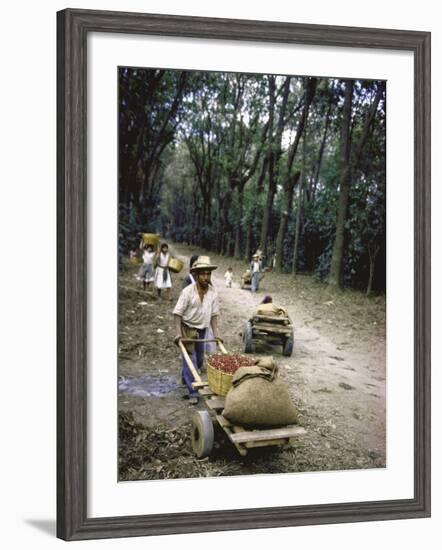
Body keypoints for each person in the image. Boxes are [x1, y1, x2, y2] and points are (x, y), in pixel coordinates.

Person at [173, 256, 222, 404]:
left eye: (208, 274)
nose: (206, 277)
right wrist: (178, 333)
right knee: (191, 361)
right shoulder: (188, 291)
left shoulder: (213, 293)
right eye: (203, 274)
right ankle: (193, 392)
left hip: (202, 330)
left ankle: (185, 375)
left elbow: (214, 315)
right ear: (196, 275)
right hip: (188, 329)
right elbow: (177, 313)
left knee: (199, 361)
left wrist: (217, 333)